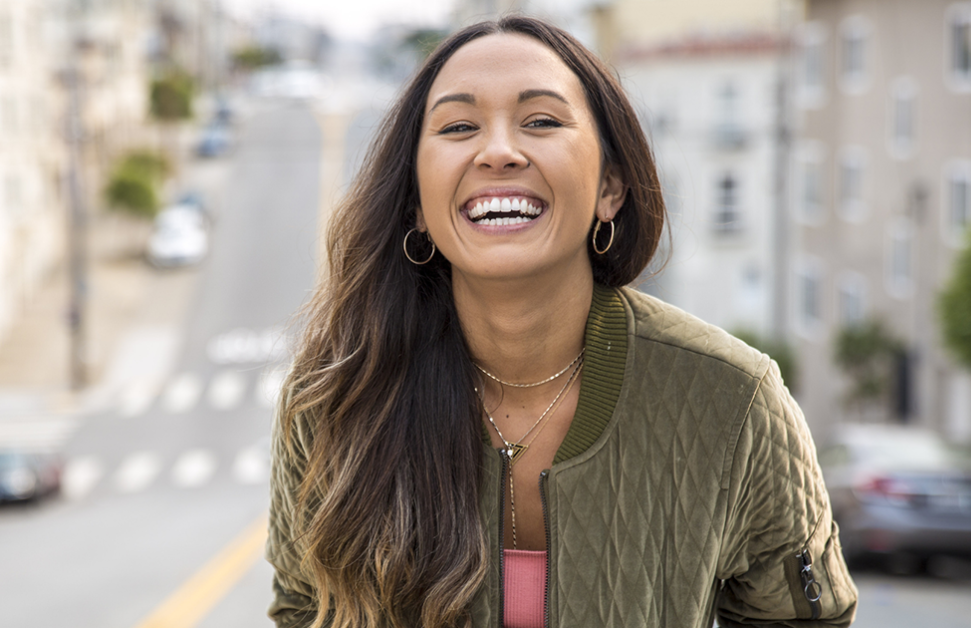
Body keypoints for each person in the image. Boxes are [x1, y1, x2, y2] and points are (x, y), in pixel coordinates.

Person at [268, 15, 857, 628]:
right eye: (459, 126)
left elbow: (804, 618)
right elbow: (302, 608)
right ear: (415, 203)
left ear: (611, 186)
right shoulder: (336, 400)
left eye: (542, 121)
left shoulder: (734, 400)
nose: (497, 151)